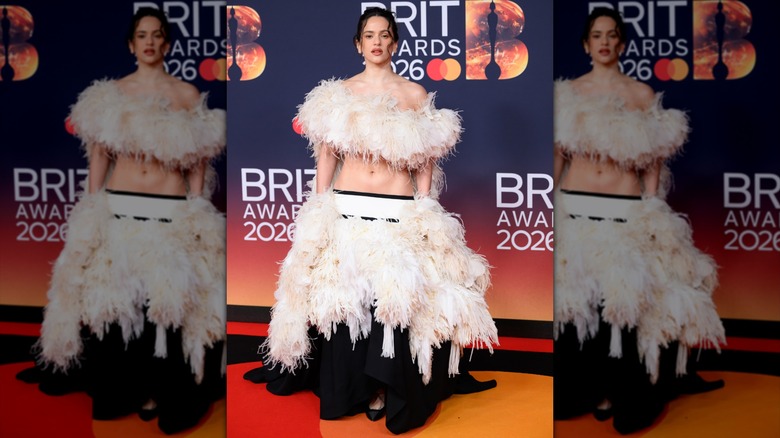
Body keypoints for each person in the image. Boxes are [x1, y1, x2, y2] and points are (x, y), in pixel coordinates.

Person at [244, 7, 498, 435]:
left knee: (392, 305)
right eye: (369, 35)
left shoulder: (414, 94)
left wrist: (424, 207)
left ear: (394, 43)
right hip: (348, 208)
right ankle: (351, 388)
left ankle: (384, 387)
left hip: (398, 212)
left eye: (384, 35)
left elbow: (425, 161)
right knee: (347, 305)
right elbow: (327, 156)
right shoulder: (338, 95)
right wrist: (320, 206)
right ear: (358, 44)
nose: (377, 42)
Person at [16, 7, 226, 435]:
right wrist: (92, 210)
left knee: (163, 309)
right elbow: (98, 158)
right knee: (117, 309)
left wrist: (196, 210)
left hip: (170, 216)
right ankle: (125, 389)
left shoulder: (187, 95)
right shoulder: (110, 95)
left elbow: (198, 164)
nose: (149, 42)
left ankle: (160, 391)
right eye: (142, 35)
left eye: (157, 35)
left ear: (167, 44)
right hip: (118, 212)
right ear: (132, 44)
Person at [552, 7, 725, 435]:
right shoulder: (567, 94)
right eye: (597, 35)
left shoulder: (642, 95)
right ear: (586, 44)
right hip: (575, 209)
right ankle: (589, 389)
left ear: (622, 44)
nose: (605, 42)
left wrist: (652, 208)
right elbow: (558, 155)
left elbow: (653, 162)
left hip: (626, 213)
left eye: (612, 34)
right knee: (580, 307)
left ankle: (621, 390)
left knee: (622, 306)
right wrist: (550, 201)